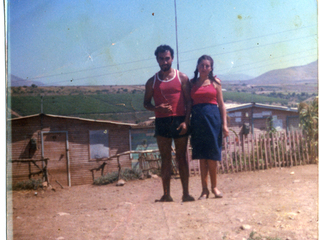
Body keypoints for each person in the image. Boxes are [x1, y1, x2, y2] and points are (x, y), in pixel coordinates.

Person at [144, 45, 195, 202]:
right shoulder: (152, 81)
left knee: (182, 157)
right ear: (157, 60)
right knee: (165, 158)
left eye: (167, 58)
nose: (164, 61)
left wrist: (186, 122)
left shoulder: (182, 78)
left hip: (179, 120)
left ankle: (186, 194)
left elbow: (189, 102)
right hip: (162, 122)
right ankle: (166, 194)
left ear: (172, 58)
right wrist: (156, 107)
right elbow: (146, 103)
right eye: (161, 58)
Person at [190, 55, 229, 200]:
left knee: (212, 157)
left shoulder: (215, 82)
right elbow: (188, 103)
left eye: (207, 65)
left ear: (211, 68)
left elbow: (221, 104)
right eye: (202, 65)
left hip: (213, 122)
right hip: (198, 123)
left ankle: (214, 187)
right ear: (198, 67)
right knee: (202, 157)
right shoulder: (192, 83)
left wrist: (224, 125)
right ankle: (204, 190)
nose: (204, 68)